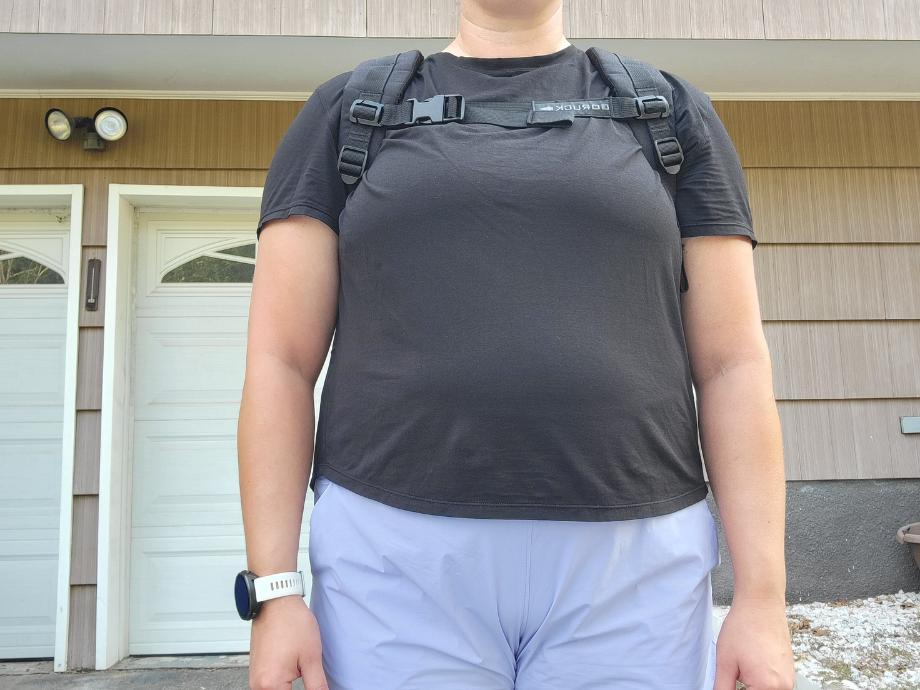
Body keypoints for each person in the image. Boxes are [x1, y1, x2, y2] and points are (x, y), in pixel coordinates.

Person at [238, 1, 795, 689]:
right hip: (394, 560)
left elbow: (733, 365)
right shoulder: (349, 112)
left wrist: (762, 599)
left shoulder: (669, 113)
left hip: (633, 566)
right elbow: (280, 363)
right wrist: (275, 593)